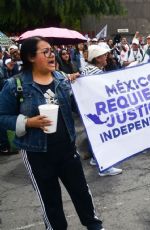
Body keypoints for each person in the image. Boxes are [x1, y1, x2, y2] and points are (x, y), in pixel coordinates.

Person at [0, 36, 103, 229]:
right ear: (31, 57)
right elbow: (1, 116)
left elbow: (75, 107)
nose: (52, 55)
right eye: (45, 51)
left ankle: (94, 225)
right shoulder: (15, 85)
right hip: (36, 153)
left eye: (52, 50)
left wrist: (82, 89)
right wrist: (28, 122)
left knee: (81, 192)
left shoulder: (61, 78)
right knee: (51, 201)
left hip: (67, 150)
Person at [81, 45, 123, 176]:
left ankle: (95, 158)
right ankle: (105, 167)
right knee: (103, 137)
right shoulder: (96, 72)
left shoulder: (87, 69)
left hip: (89, 110)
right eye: (104, 55)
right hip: (98, 111)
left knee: (95, 135)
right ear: (97, 58)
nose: (107, 57)